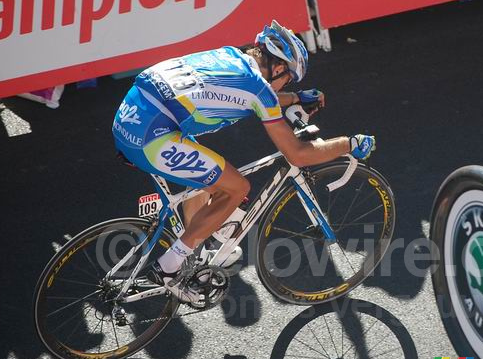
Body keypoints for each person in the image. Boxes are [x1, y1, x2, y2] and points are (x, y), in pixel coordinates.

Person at [112, 20, 376, 303]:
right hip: (152, 138)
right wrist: (348, 144)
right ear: (277, 68)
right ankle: (169, 267)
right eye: (289, 79)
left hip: (131, 116)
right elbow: (297, 154)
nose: (288, 84)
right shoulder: (259, 91)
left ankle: (197, 245)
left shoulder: (230, 56)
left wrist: (296, 97)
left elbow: (255, 96)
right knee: (236, 187)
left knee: (209, 176)